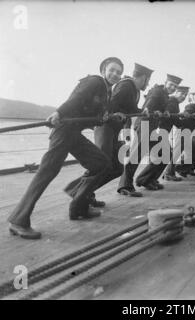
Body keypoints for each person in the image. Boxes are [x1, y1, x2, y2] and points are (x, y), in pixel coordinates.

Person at [8, 57, 124, 239]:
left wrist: (108, 117)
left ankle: (79, 208)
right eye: (112, 70)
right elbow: (76, 99)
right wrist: (59, 113)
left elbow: (92, 116)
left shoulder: (106, 91)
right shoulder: (94, 81)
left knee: (101, 163)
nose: (115, 74)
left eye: (119, 72)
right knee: (46, 173)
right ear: (103, 70)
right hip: (63, 131)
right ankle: (18, 220)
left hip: (74, 134)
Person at [64, 63, 154, 201]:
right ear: (143, 78)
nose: (147, 85)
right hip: (105, 128)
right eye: (147, 81)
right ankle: (81, 193)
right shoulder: (126, 86)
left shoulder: (133, 89)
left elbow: (129, 107)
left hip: (114, 130)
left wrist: (141, 111)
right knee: (101, 165)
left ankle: (81, 191)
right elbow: (111, 104)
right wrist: (115, 112)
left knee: (117, 168)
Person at [117, 74, 182, 195]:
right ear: (166, 82)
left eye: (175, 86)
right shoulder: (157, 92)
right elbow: (146, 109)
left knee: (166, 153)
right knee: (136, 156)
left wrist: (164, 113)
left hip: (151, 128)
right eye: (171, 84)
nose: (173, 88)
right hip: (144, 125)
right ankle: (125, 186)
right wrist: (154, 112)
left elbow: (158, 110)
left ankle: (146, 179)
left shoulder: (164, 94)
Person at [163, 86, 190, 181]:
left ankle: (168, 173)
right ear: (176, 92)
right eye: (182, 94)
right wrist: (183, 120)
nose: (183, 96)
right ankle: (168, 173)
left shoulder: (174, 102)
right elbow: (172, 118)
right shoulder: (172, 102)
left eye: (185, 95)